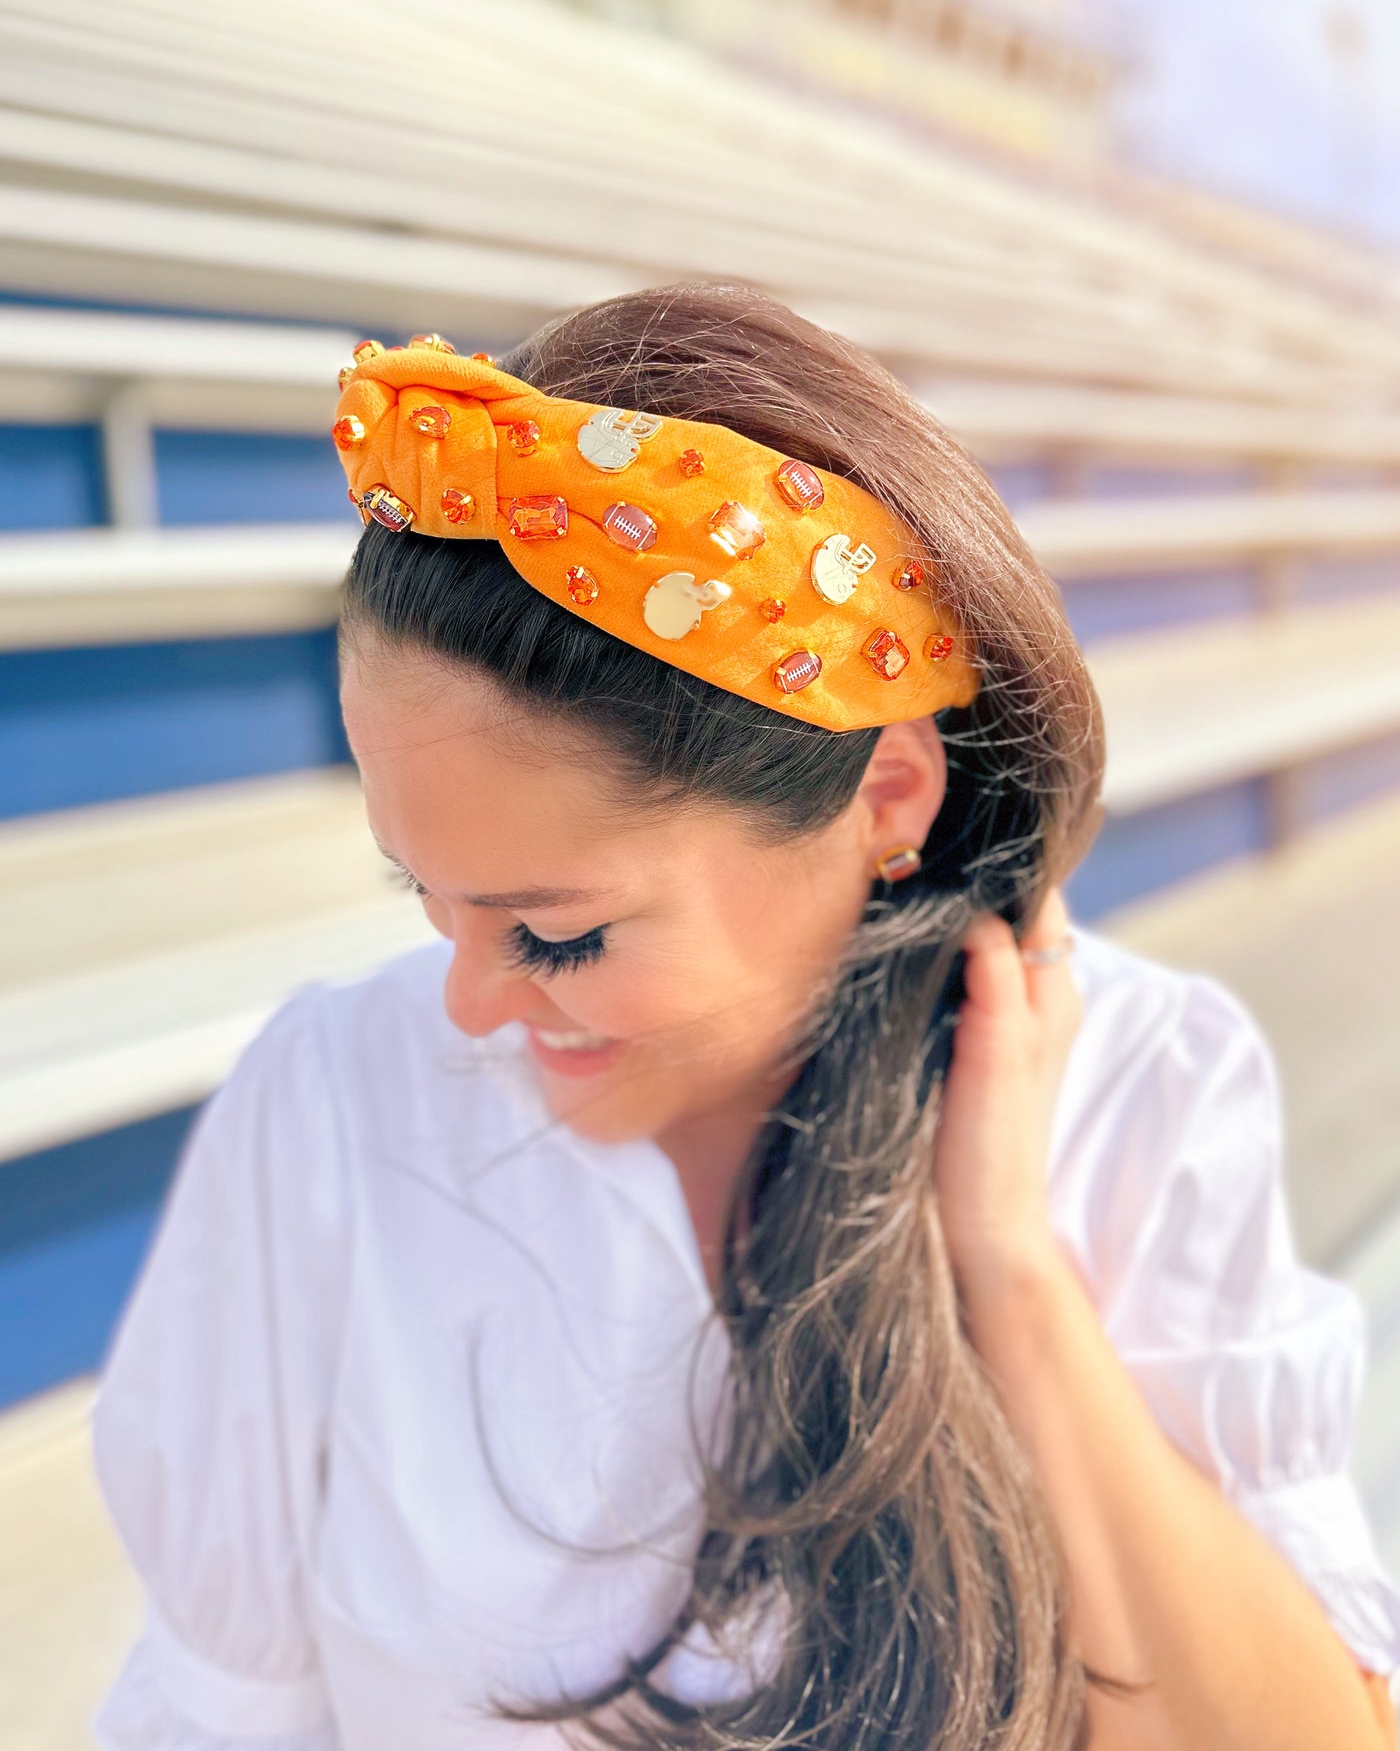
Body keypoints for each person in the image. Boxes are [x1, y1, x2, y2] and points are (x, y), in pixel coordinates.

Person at [90, 282, 1400, 1751]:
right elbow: (216, 1711)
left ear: (888, 797)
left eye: (556, 932)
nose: (467, 1004)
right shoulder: (331, 1100)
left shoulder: (1145, 1092)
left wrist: (1016, 1288)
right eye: (426, 892)